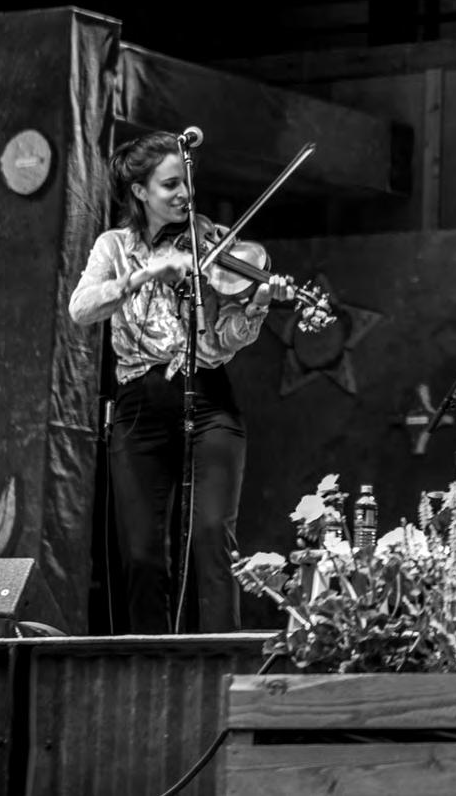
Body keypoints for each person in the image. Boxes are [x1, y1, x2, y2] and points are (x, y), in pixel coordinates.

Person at [69, 131, 294, 634]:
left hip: (207, 398)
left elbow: (221, 340)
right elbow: (81, 309)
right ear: (140, 191)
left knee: (213, 538)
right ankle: (148, 665)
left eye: (185, 183)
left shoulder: (208, 241)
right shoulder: (114, 247)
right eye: (169, 185)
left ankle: (221, 661)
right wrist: (145, 274)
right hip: (138, 409)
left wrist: (257, 305)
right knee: (142, 554)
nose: (183, 195)